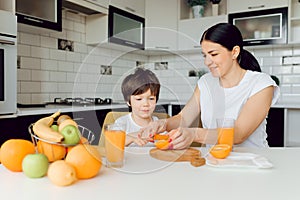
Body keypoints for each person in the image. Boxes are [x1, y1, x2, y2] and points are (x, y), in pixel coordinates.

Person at [139, 23, 280, 149]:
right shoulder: (206, 82)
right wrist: (163, 124)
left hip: (253, 162)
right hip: (213, 161)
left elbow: (238, 134)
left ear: (235, 52)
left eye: (213, 54)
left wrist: (194, 134)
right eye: (205, 55)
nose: (207, 62)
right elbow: (184, 118)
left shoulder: (261, 83)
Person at [115, 68, 161, 146]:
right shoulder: (121, 123)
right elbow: (113, 144)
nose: (146, 104)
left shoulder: (158, 124)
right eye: (139, 99)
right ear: (128, 101)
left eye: (151, 98)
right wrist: (132, 137)